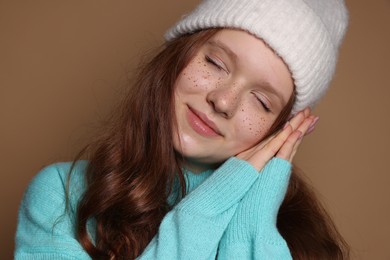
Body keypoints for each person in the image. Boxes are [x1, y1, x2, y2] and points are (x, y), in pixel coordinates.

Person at [15, 0, 350, 259]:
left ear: (283, 129)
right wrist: (204, 209)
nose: (223, 101)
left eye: (261, 102)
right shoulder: (61, 195)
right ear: (177, 56)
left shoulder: (304, 245)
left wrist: (253, 224)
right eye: (216, 63)